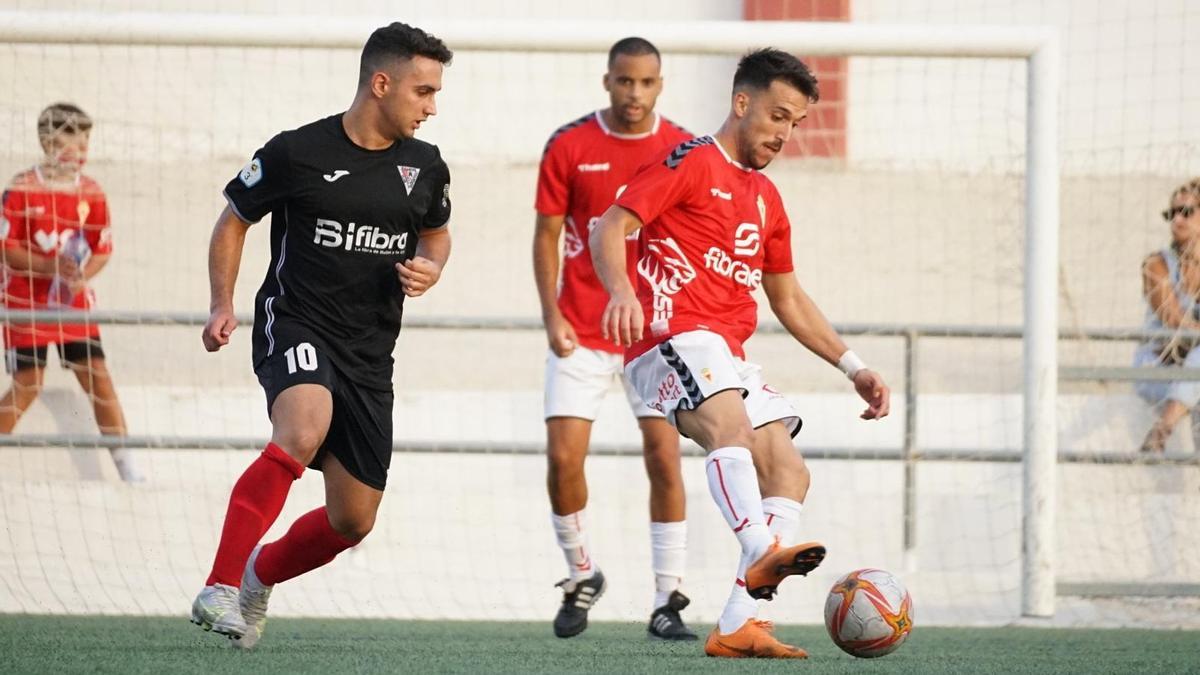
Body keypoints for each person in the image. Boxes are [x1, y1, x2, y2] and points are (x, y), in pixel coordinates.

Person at [590, 48, 891, 659]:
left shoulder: (767, 201)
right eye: (778, 116)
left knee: (788, 468)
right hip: (670, 338)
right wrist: (622, 289)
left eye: (795, 124)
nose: (784, 134)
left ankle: (737, 622)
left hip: (723, 353)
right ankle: (759, 551)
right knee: (730, 425)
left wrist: (852, 365)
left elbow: (787, 296)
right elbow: (610, 225)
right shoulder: (694, 161)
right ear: (742, 102)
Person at [189, 22, 453, 649]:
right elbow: (234, 220)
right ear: (380, 83)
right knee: (302, 427)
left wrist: (433, 266)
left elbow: (437, 231)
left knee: (352, 520)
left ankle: (258, 577)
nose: (432, 107)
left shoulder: (426, 166)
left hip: (370, 353)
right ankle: (219, 585)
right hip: (298, 321)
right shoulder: (297, 152)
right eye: (423, 91)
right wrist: (222, 303)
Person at [533, 37, 697, 641]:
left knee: (664, 455)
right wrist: (550, 313)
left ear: (660, 84)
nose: (635, 93)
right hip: (580, 327)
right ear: (607, 81)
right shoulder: (569, 144)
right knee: (562, 458)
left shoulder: (681, 149)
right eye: (625, 81)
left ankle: (667, 599)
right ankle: (581, 572)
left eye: (646, 83)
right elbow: (547, 235)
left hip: (653, 335)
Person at [0, 103, 142, 483]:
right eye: (71, 142)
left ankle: (129, 468)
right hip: (24, 305)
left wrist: (81, 275)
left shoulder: (92, 193)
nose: (80, 152)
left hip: (71, 304)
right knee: (29, 383)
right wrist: (48, 266)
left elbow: (102, 247)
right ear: (47, 143)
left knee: (97, 375)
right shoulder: (20, 189)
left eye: (85, 143)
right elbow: (6, 247)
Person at [1135, 178, 1200, 453]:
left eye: (1186, 212)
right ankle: (1163, 429)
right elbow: (1174, 321)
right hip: (1157, 368)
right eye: (1171, 213)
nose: (1177, 220)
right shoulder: (1156, 264)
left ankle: (1162, 430)